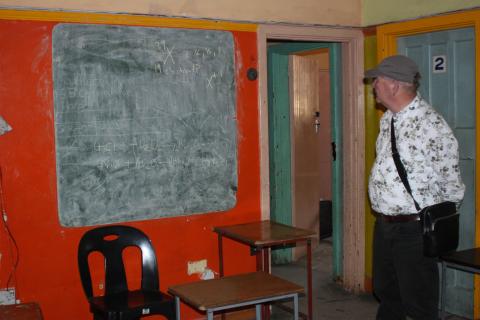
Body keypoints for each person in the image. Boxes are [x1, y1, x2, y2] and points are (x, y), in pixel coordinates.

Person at [365, 55, 465, 320]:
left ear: (395, 85)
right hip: (385, 224)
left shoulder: (431, 125)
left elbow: (452, 184)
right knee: (386, 292)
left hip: (414, 227)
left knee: (418, 302)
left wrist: (430, 222)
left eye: (378, 80)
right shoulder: (388, 119)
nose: (373, 85)